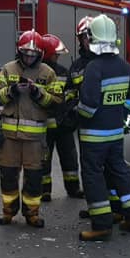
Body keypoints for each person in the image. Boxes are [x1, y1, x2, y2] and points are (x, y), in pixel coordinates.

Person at [76, 14, 130, 241]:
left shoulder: (94, 67)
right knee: (120, 172)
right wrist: (120, 113)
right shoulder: (125, 66)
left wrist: (79, 116)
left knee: (94, 177)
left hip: (93, 137)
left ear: (92, 38)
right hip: (115, 134)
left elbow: (89, 104)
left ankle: (102, 225)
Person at [0, 30, 61, 227]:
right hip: (10, 137)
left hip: (35, 140)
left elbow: (56, 102)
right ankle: (8, 212)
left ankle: (32, 214)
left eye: (33, 54)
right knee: (8, 176)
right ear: (19, 51)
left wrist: (37, 93)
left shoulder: (47, 73)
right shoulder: (8, 69)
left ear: (39, 54)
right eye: (25, 53)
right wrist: (12, 91)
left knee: (34, 179)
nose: (29, 57)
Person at [39, 33, 83, 201]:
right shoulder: (39, 72)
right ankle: (45, 191)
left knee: (69, 159)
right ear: (48, 53)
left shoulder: (64, 72)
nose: (58, 56)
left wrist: (70, 114)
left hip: (64, 124)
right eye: (56, 53)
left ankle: (73, 188)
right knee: (44, 159)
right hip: (45, 125)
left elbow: (71, 94)